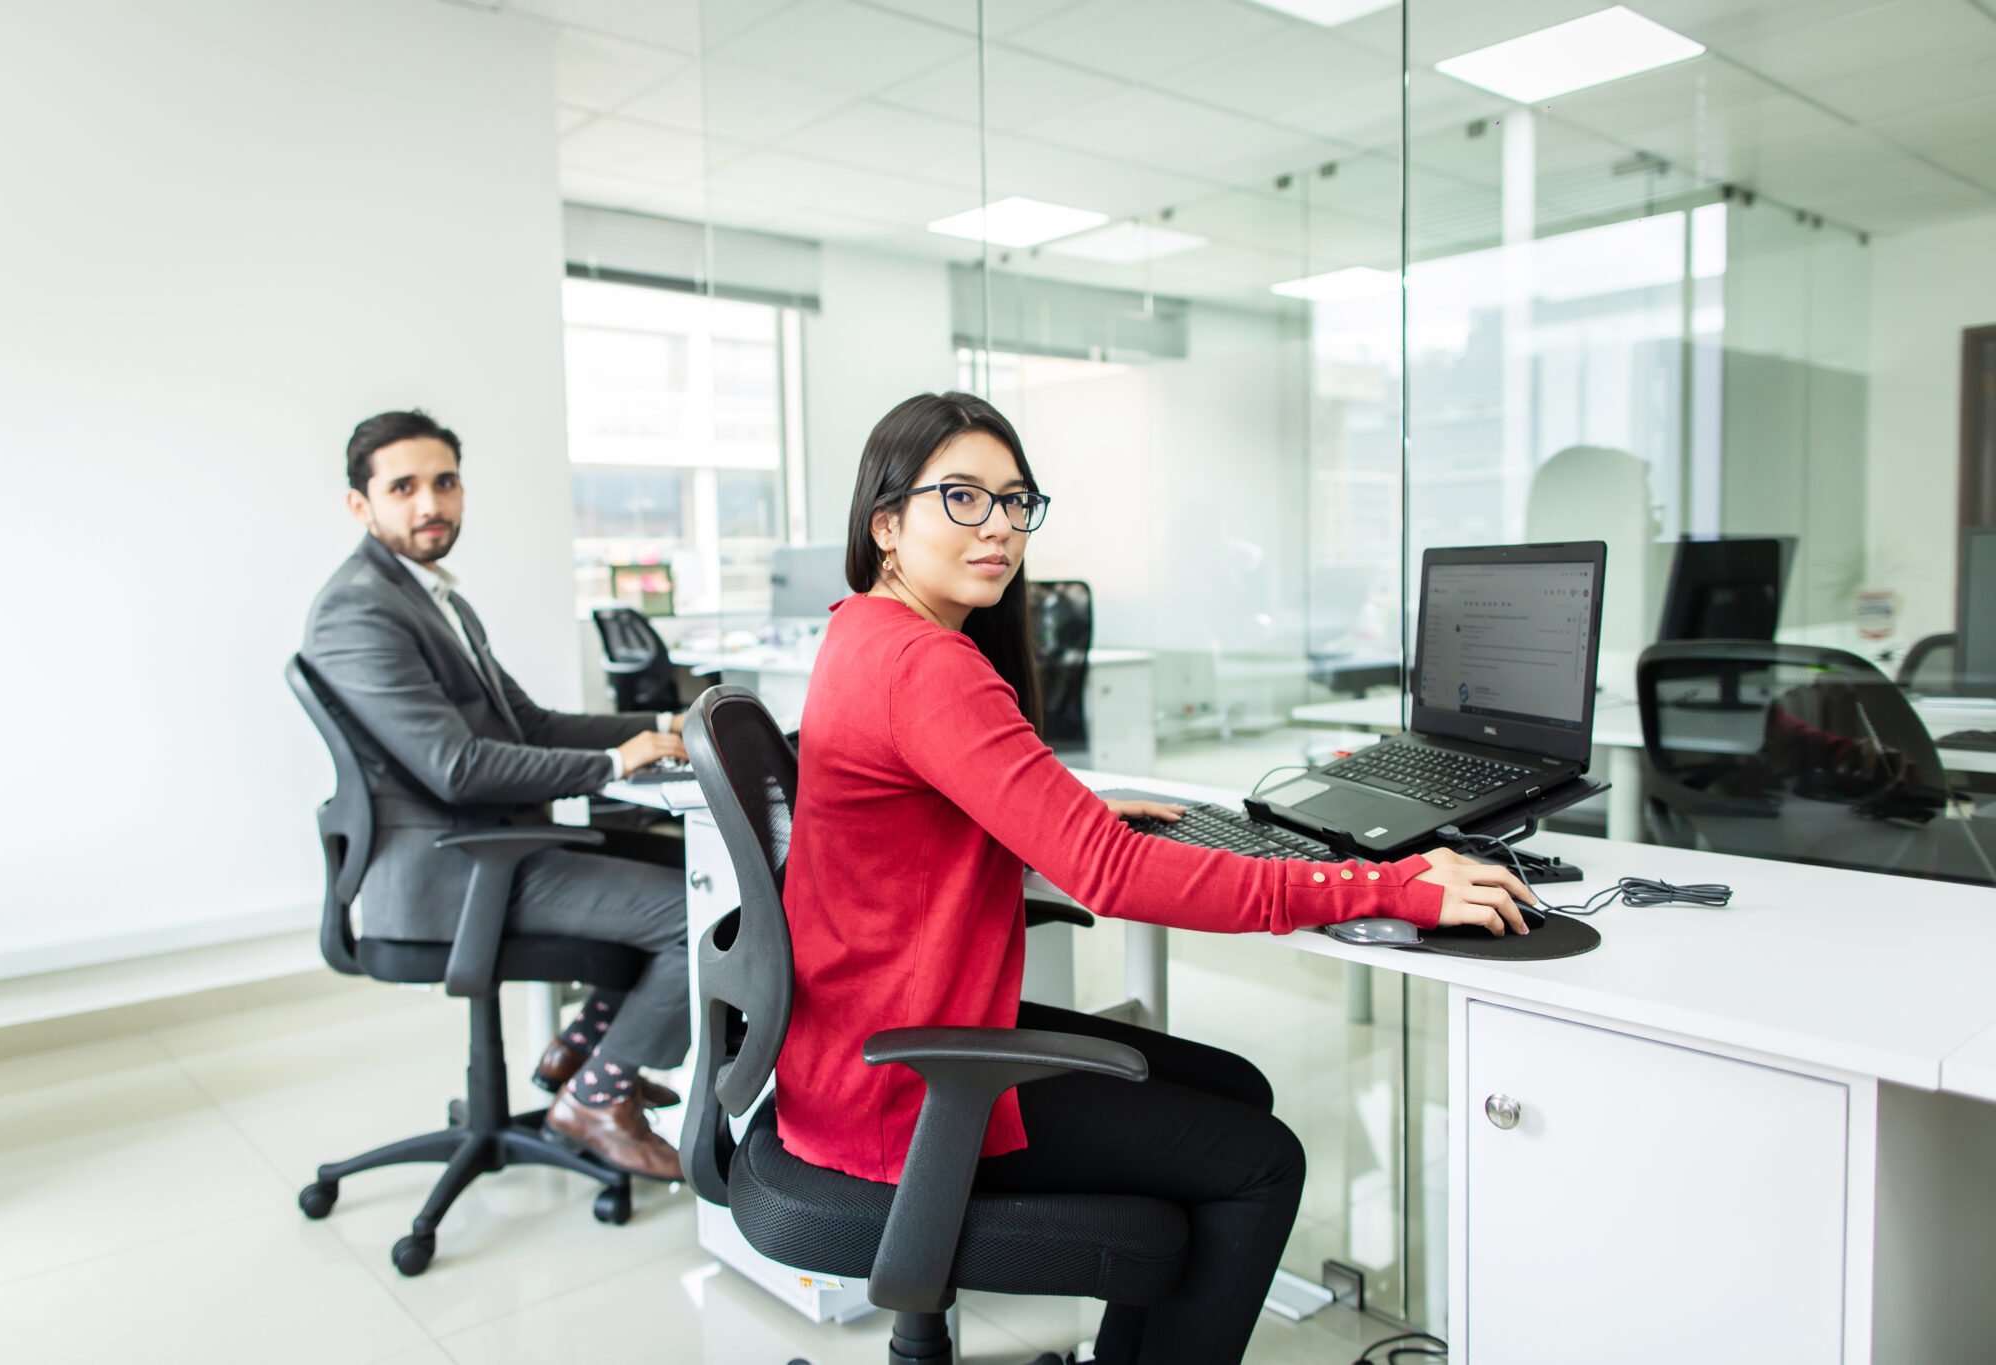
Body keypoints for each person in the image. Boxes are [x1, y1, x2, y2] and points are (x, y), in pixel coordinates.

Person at [778, 392, 1535, 1365]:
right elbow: (1112, 876)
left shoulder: (861, 632)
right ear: (885, 523)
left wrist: (1063, 819)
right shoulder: (928, 664)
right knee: (1260, 1162)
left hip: (857, 1055)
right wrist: (1385, 886)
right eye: (962, 498)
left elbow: (924, 821)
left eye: (1016, 502)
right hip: (906, 1090)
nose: (1000, 526)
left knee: (1235, 1090)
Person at [304, 409, 690, 1180]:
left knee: (694, 872)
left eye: (444, 482)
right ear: (361, 504)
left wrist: (663, 721)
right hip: (455, 869)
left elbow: (533, 724)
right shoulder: (359, 608)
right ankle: (597, 1095)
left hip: (492, 845)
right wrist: (616, 763)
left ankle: (584, 1052)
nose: (430, 504)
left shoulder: (434, 595)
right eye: (404, 486)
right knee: (707, 913)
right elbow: (457, 767)